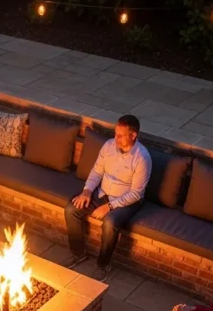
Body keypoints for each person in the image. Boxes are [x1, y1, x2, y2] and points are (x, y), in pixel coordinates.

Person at [63, 115, 151, 282]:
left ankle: (103, 264)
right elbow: (97, 172)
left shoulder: (142, 158)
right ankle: (78, 254)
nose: (115, 138)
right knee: (71, 209)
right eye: (115, 133)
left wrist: (109, 207)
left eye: (120, 135)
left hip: (127, 201)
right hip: (103, 192)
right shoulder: (109, 146)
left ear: (133, 136)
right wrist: (87, 191)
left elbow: (136, 193)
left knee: (110, 224)